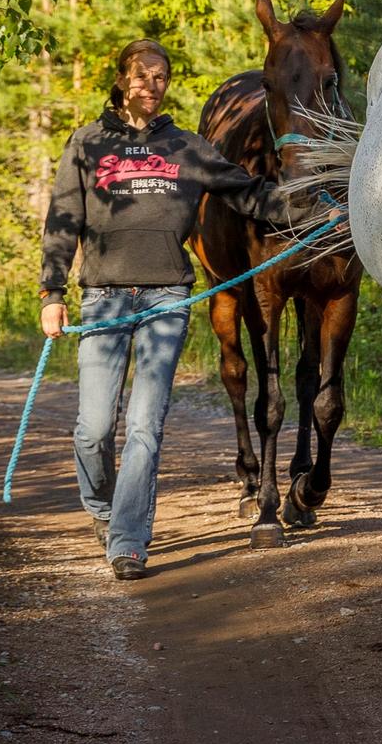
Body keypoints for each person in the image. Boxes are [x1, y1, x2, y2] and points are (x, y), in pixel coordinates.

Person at [39, 38, 285, 580]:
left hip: (166, 299)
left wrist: (315, 202)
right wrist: (52, 293)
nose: (152, 86)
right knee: (93, 428)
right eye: (143, 76)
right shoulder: (86, 143)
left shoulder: (185, 147)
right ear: (122, 79)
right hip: (103, 299)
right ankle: (104, 511)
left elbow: (246, 193)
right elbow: (62, 221)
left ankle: (128, 540)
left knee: (145, 427)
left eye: (161, 77)